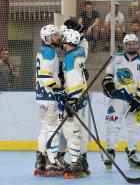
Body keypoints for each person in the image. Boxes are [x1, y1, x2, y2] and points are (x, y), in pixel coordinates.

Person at [101, 34, 140, 170]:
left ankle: (132, 153)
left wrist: (139, 99)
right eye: (129, 44)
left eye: (134, 43)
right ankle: (110, 152)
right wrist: (108, 83)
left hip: (133, 100)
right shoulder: (117, 58)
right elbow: (109, 74)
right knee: (112, 123)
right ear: (125, 45)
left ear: (137, 45)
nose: (132, 46)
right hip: (117, 97)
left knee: (135, 127)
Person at [54, 28, 89, 178]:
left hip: (75, 99)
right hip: (83, 98)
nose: (61, 41)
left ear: (68, 40)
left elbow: (74, 82)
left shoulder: (69, 58)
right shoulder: (80, 52)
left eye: (63, 38)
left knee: (71, 132)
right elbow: (83, 44)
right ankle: (82, 160)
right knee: (80, 131)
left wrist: (71, 101)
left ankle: (75, 162)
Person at [35, 24, 65, 177]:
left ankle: (40, 160)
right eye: (54, 35)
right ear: (47, 38)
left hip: (41, 96)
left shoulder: (42, 51)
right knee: (53, 129)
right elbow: (45, 74)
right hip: (50, 96)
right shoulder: (49, 52)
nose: (58, 37)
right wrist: (58, 90)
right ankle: (51, 162)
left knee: (44, 129)